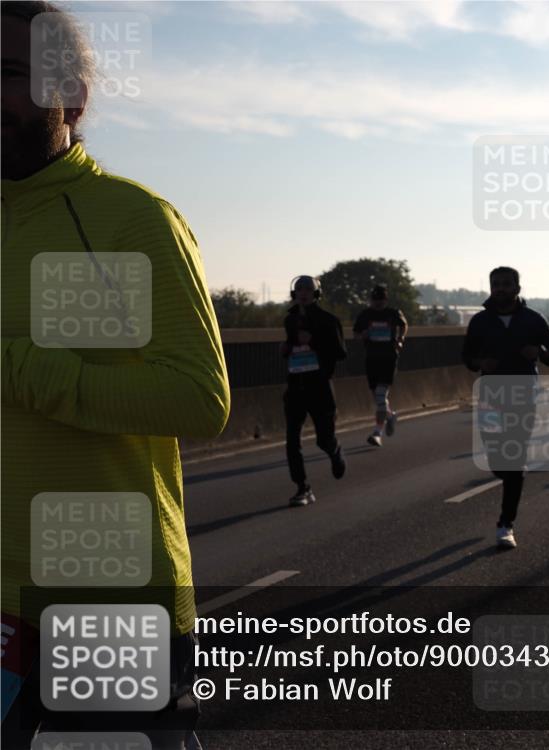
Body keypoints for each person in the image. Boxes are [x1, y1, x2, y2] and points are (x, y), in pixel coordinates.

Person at [1, 3, 229, 745]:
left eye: (9, 75)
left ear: (71, 97)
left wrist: (20, 367)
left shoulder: (130, 219)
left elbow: (199, 397)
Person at [462, 267, 549, 549]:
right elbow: (466, 356)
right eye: (496, 284)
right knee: (497, 458)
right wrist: (480, 363)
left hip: (522, 395)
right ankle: (509, 471)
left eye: (506, 284)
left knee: (513, 460)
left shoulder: (533, 319)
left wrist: (538, 353)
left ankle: (506, 524)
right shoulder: (480, 321)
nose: (500, 288)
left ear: (518, 287)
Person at [281, 275, 347, 505]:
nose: (303, 292)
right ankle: (303, 487)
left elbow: (341, 352)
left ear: (316, 293)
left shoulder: (328, 320)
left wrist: (315, 341)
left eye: (308, 289)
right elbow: (291, 345)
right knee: (292, 440)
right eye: (299, 289)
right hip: (296, 387)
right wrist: (287, 347)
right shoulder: (290, 320)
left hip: (319, 387)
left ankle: (334, 451)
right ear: (294, 293)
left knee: (323, 439)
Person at [353, 285, 408, 447]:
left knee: (380, 395)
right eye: (375, 300)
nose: (377, 303)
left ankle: (377, 433)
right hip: (371, 358)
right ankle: (390, 416)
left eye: (380, 300)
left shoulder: (393, 313)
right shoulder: (365, 315)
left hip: (388, 357)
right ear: (371, 300)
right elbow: (355, 334)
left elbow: (404, 325)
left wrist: (400, 339)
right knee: (378, 398)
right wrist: (362, 335)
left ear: (386, 300)